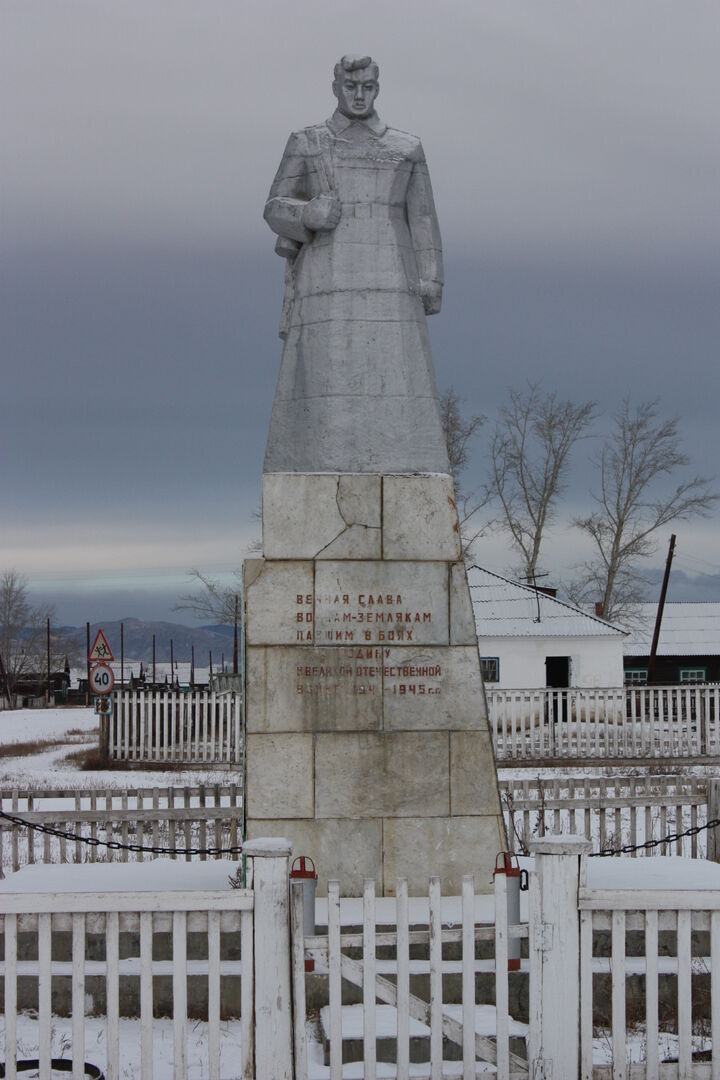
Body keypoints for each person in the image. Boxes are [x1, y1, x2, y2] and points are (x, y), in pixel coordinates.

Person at [263, 54, 450, 475]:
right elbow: (275, 206)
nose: (360, 95)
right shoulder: (308, 142)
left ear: (378, 88)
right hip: (326, 283)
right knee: (328, 385)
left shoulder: (406, 148)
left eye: (367, 86)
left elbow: (422, 217)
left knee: (397, 386)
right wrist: (307, 214)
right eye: (351, 87)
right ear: (336, 89)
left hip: (393, 283)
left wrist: (432, 278)